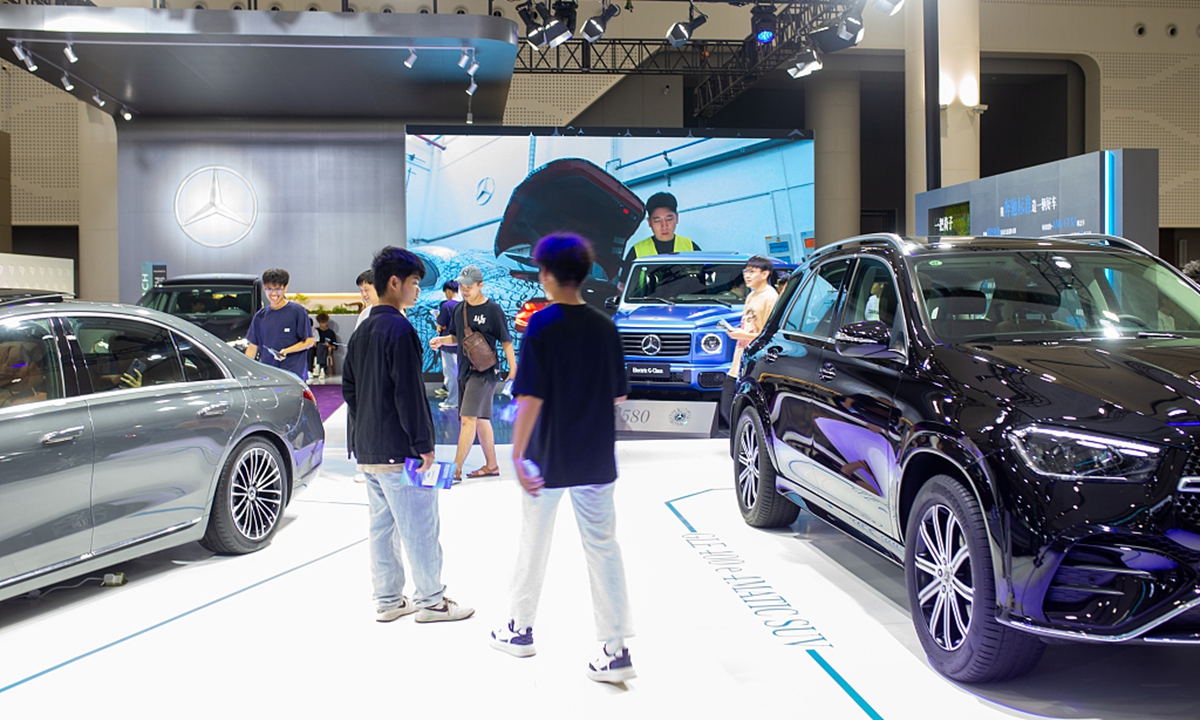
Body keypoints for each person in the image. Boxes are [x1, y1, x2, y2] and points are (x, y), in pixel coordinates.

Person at [489, 233, 635, 684]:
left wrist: (516, 452)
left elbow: (529, 397)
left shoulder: (542, 325)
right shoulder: (604, 326)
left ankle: (520, 629)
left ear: (547, 275)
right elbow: (619, 393)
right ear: (586, 274)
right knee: (603, 547)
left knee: (534, 541)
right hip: (595, 456)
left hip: (546, 457)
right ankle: (615, 650)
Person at [342, 246, 474, 625]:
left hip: (368, 448)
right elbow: (409, 394)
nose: (417, 290)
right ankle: (431, 600)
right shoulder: (399, 329)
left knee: (382, 527)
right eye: (415, 282)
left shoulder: (364, 326)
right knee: (420, 524)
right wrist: (423, 445)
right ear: (395, 283)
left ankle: (388, 599)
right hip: (400, 449)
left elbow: (350, 389)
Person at [430, 265, 517, 482]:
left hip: (485, 372)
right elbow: (457, 337)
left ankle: (455, 470)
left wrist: (513, 367)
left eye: (469, 286)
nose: (465, 290)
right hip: (465, 371)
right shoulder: (460, 310)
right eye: (462, 286)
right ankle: (492, 465)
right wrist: (442, 340)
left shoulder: (493, 309)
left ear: (480, 285)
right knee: (481, 420)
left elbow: (506, 340)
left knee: (468, 418)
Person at [719, 255, 779, 430]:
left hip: (755, 359)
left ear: (765, 273)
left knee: (736, 406)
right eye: (746, 271)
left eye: (752, 272)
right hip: (740, 356)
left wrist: (742, 334)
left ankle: (746, 444)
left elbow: (769, 334)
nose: (747, 275)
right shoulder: (751, 296)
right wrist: (738, 331)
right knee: (728, 405)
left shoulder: (770, 297)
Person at [616, 191, 701, 292]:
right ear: (649, 222)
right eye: (657, 220)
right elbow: (622, 287)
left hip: (684, 306)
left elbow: (705, 281)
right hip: (648, 306)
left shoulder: (691, 247)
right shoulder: (637, 251)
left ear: (677, 218)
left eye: (669, 219)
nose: (664, 226)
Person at [244, 268, 314, 381]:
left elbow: (309, 341)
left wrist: (286, 351)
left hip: (293, 374)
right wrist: (245, 370)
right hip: (268, 374)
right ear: (264, 288)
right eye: (269, 289)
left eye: (278, 289)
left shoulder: (297, 312)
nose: (273, 293)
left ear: (285, 288)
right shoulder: (260, 316)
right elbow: (253, 346)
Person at [434, 280, 461, 410]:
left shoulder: (446, 306)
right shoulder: (463, 304)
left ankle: (452, 401)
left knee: (450, 373)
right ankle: (460, 400)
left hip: (448, 343)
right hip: (461, 344)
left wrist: (438, 319)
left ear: (448, 291)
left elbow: (442, 321)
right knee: (459, 373)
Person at [312, 312, 338, 381]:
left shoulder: (330, 333)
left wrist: (329, 345)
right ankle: (322, 368)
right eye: (321, 323)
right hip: (316, 350)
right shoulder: (316, 331)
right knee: (319, 345)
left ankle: (319, 366)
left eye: (325, 322)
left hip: (326, 350)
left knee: (322, 346)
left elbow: (335, 347)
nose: (323, 324)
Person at [355, 268, 378, 334]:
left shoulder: (395, 312)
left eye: (366, 290)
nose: (364, 294)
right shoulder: (364, 313)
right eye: (361, 290)